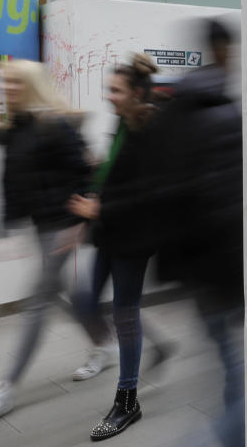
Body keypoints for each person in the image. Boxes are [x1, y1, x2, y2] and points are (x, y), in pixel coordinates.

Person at [0, 60, 114, 433]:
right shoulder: (13, 129)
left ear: (30, 84)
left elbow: (85, 175)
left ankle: (7, 387)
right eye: (4, 82)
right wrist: (2, 228)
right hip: (39, 226)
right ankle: (109, 344)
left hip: (61, 228)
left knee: (38, 301)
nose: (6, 88)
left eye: (13, 82)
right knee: (70, 296)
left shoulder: (56, 125)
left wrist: (79, 224)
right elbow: (7, 181)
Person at [152, 19, 244, 446]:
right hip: (225, 267)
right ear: (224, 51)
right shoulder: (225, 115)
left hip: (194, 269)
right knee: (243, 373)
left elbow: (167, 191)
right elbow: (229, 203)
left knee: (226, 361)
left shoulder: (173, 110)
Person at [67, 53, 163, 441]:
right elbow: (116, 174)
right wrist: (93, 198)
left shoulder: (148, 129)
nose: (109, 97)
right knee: (85, 300)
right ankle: (133, 350)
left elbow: (148, 192)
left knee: (125, 315)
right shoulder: (123, 123)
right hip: (108, 231)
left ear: (136, 93)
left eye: (116, 91)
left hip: (133, 238)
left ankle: (127, 399)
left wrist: (101, 204)